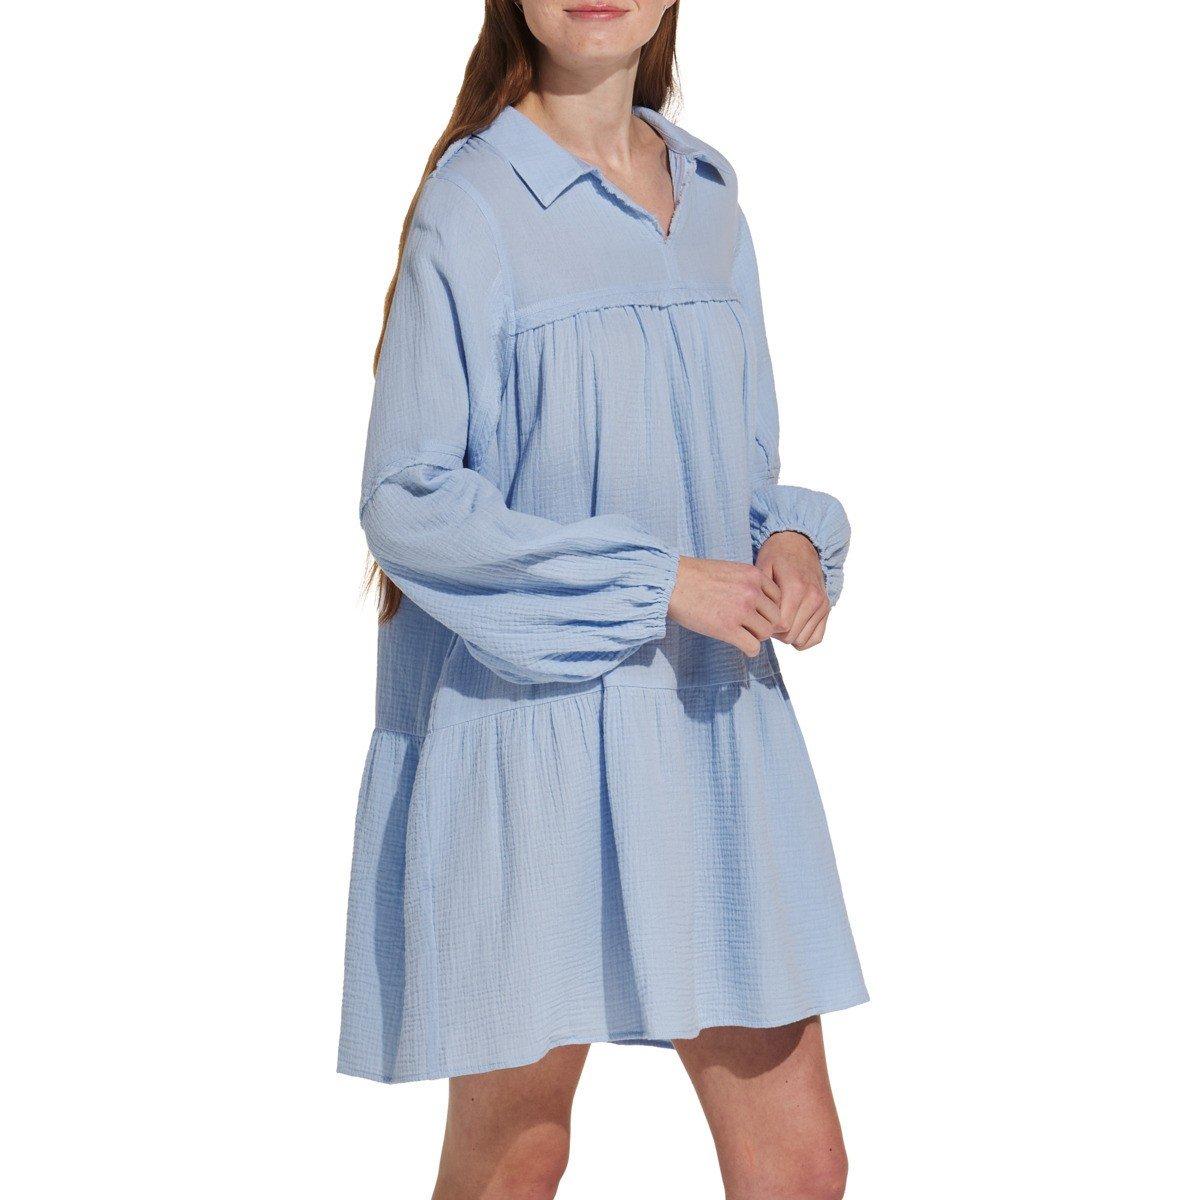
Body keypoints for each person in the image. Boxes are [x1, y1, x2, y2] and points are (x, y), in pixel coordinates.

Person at [338, 3, 867, 1196]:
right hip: (533, 739)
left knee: (800, 1164)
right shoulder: (475, 203)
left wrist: (787, 541)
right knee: (520, 1153)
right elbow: (408, 500)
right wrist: (654, 583)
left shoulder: (712, 200)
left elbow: (734, 471)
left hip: (709, 728)